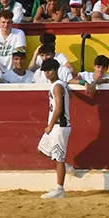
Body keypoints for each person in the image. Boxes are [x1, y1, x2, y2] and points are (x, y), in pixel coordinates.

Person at [37, 56, 80, 200]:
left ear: (56, 70)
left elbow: (59, 108)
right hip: (57, 126)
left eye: (49, 70)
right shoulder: (58, 85)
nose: (47, 73)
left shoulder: (57, 86)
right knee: (43, 149)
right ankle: (66, 168)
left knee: (58, 158)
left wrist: (50, 125)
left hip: (59, 126)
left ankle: (60, 188)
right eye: (45, 71)